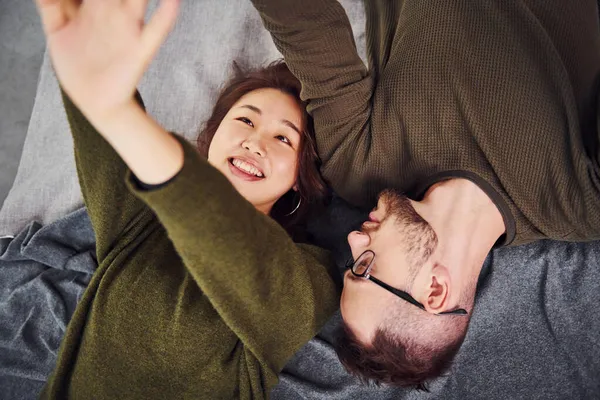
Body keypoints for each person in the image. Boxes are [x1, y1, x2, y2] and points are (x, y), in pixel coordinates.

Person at [250, 0, 600, 388]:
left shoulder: (356, 166)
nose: (352, 238)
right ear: (434, 290)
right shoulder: (582, 202)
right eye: (364, 268)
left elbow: (305, 23)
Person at [34, 0, 340, 398]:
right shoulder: (142, 219)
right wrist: (90, 85)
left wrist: (117, 113)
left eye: (284, 138)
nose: (254, 142)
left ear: (300, 180)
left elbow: (251, 264)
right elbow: (106, 133)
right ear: (212, 139)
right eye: (245, 119)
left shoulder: (311, 275)